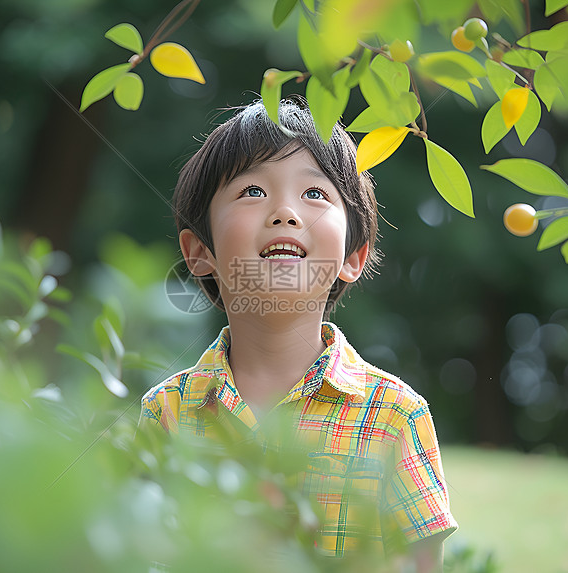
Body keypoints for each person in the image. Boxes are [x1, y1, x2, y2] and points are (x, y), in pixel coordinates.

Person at [139, 98, 457, 571]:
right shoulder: (166, 411)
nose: (285, 212)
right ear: (199, 251)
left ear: (354, 256)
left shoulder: (395, 416)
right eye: (251, 192)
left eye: (314, 195)